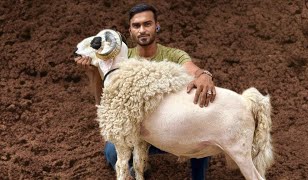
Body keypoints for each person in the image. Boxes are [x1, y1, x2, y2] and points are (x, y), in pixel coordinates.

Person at [74, 3, 216, 180]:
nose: (142, 30)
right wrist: (94, 72)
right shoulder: (121, 59)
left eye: (147, 24)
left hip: (171, 130)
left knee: (202, 134)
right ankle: (136, 172)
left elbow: (192, 69)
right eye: (136, 26)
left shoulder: (173, 55)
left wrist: (203, 75)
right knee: (111, 150)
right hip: (137, 131)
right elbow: (102, 103)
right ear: (130, 30)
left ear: (157, 26)